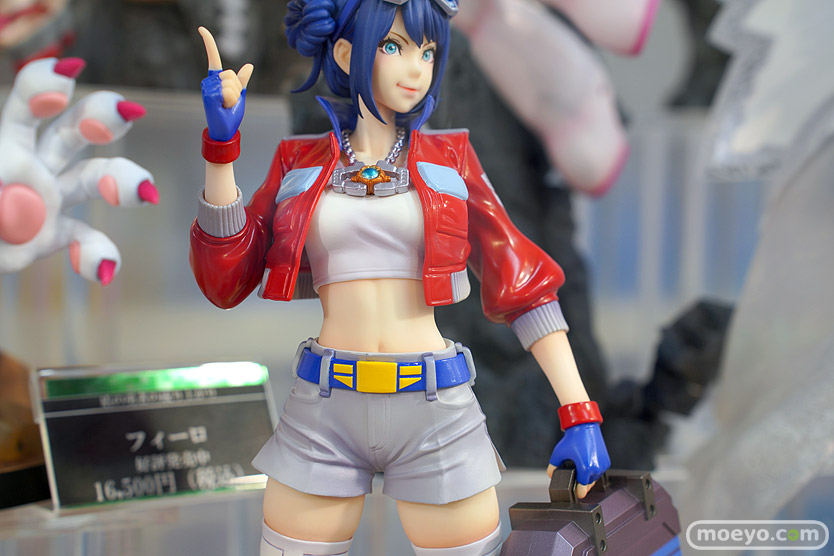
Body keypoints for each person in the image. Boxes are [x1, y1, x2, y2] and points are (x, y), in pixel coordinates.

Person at [189, 0, 610, 554]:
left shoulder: (451, 159)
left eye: (428, 52)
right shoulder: (299, 162)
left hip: (434, 407)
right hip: (324, 407)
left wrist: (580, 413)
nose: (416, 68)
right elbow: (226, 280)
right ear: (346, 53)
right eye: (394, 46)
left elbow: (522, 283)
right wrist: (220, 153)